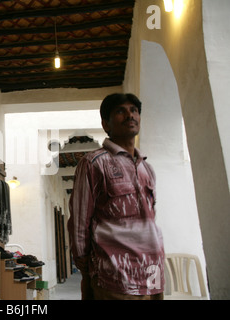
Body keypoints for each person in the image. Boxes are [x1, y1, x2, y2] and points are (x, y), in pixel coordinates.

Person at [68, 93, 165, 300]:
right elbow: (79, 221)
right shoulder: (94, 163)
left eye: (134, 110)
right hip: (115, 277)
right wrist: (86, 269)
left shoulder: (147, 168)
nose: (130, 115)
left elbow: (150, 218)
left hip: (153, 275)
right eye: (120, 111)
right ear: (105, 124)